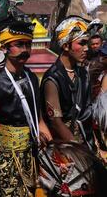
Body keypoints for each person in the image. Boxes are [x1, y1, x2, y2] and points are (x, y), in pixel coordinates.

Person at [0, 17, 51, 196]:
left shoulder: (31, 78)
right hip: (6, 159)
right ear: (5, 48)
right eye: (19, 45)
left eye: (28, 45)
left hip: (32, 155)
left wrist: (52, 152)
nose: (25, 50)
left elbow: (39, 119)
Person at [41, 16, 96, 151]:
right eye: (81, 43)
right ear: (66, 46)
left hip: (86, 143)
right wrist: (79, 148)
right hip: (64, 146)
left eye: (87, 44)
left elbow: (87, 113)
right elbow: (56, 122)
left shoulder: (83, 74)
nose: (86, 48)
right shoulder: (53, 79)